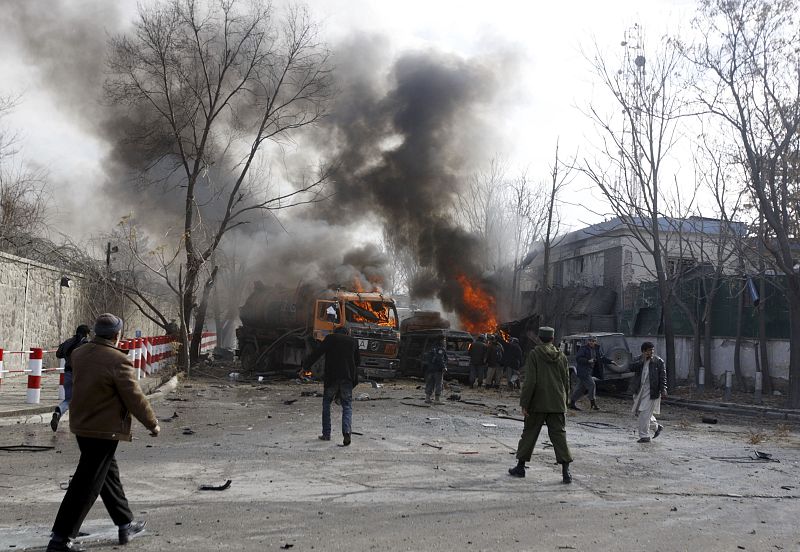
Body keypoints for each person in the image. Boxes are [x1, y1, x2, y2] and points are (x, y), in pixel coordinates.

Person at [46, 314, 160, 552]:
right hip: (104, 430)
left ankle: (125, 523)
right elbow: (134, 397)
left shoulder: (79, 354)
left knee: (108, 475)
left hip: (82, 425)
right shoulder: (117, 360)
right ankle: (61, 538)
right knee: (87, 483)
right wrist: (152, 423)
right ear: (117, 335)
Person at [508, 326, 573, 484]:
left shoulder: (534, 354)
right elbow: (566, 381)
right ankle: (566, 472)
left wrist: (525, 403)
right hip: (557, 403)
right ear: (552, 339)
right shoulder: (562, 356)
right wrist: (566, 401)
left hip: (537, 402)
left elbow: (530, 381)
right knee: (559, 436)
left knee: (529, 433)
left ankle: (521, 467)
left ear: (539, 338)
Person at [303, 326, 360, 446]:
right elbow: (358, 361)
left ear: (335, 332)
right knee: (347, 406)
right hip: (347, 378)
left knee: (326, 404)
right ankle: (347, 432)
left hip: (332, 377)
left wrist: (305, 367)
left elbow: (317, 353)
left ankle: (326, 434)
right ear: (347, 332)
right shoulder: (353, 341)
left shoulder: (330, 338)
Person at [50, 325, 91, 432]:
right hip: (80, 375)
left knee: (69, 399)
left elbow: (58, 354)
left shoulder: (68, 342)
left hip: (67, 373)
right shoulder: (86, 344)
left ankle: (58, 412)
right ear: (86, 334)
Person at [629, 341, 667, 443]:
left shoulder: (659, 361)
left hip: (652, 391)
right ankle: (656, 427)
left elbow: (662, 377)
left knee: (644, 414)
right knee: (640, 412)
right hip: (639, 390)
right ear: (643, 351)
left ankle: (644, 436)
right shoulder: (638, 359)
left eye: (652, 350)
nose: (651, 352)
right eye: (649, 350)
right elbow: (630, 367)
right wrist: (642, 361)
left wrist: (663, 389)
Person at [568, 335, 617, 411]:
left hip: (589, 371)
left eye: (593, 341)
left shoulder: (597, 348)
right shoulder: (583, 348)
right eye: (590, 341)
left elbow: (601, 357)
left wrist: (611, 361)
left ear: (595, 341)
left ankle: (572, 403)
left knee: (581, 388)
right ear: (588, 341)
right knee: (592, 385)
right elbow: (578, 358)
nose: (592, 342)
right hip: (583, 371)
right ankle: (593, 404)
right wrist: (588, 361)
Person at [424, 336, 448, 404]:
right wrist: (444, 367)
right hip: (437, 370)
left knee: (430, 383)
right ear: (441, 341)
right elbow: (440, 359)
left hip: (430, 369)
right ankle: (437, 399)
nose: (444, 342)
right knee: (438, 384)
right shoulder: (440, 349)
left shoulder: (431, 348)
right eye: (444, 340)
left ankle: (427, 398)